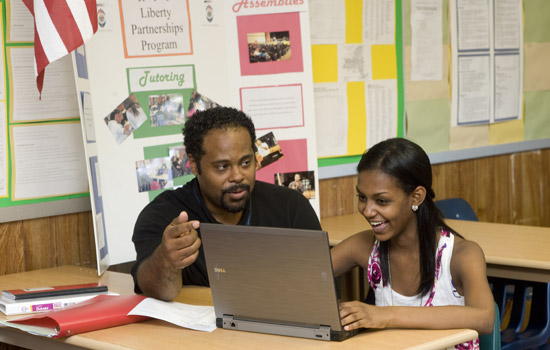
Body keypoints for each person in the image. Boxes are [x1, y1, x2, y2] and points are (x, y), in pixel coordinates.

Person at [130, 106, 321, 301]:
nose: (238, 176)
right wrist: (166, 260)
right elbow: (157, 291)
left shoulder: (290, 207)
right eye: (222, 167)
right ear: (194, 165)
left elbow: (320, 288)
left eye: (246, 163)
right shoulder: (164, 215)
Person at [331, 138, 494, 349]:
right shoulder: (364, 246)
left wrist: (385, 315)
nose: (367, 210)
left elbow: (485, 318)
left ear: (416, 197)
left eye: (382, 201)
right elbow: (304, 276)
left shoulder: (462, 254)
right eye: (362, 197)